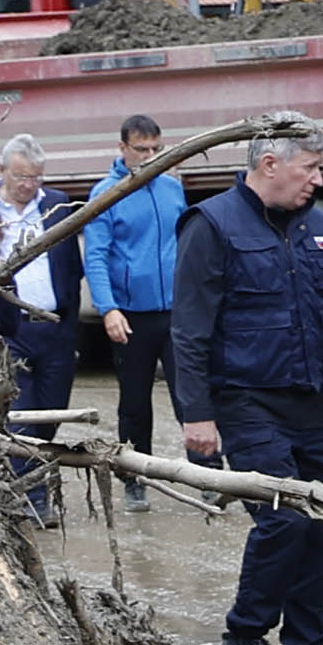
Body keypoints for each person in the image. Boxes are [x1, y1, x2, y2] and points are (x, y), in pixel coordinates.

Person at [171, 118, 323, 645]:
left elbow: (318, 318)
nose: (319, 179)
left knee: (321, 520)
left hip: (306, 401)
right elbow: (189, 330)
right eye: (310, 167)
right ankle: (244, 638)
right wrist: (196, 416)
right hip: (245, 401)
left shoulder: (317, 225)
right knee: (284, 518)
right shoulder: (212, 225)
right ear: (269, 165)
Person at [0, 137, 84, 516]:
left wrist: (71, 326)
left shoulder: (57, 204)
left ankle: (28, 479)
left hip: (55, 328)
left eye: (37, 176)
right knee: (21, 415)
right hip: (12, 328)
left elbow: (73, 268)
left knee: (52, 413)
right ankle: (32, 499)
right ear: (3, 170)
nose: (29, 184)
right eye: (22, 176)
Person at [82, 112, 183, 453]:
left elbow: (184, 245)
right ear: (123, 147)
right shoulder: (106, 194)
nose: (150, 157)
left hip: (175, 310)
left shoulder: (172, 189)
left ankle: (208, 473)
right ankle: (133, 477)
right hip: (131, 315)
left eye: (156, 148)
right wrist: (108, 309)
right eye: (142, 149)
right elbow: (95, 256)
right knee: (135, 400)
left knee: (191, 395)